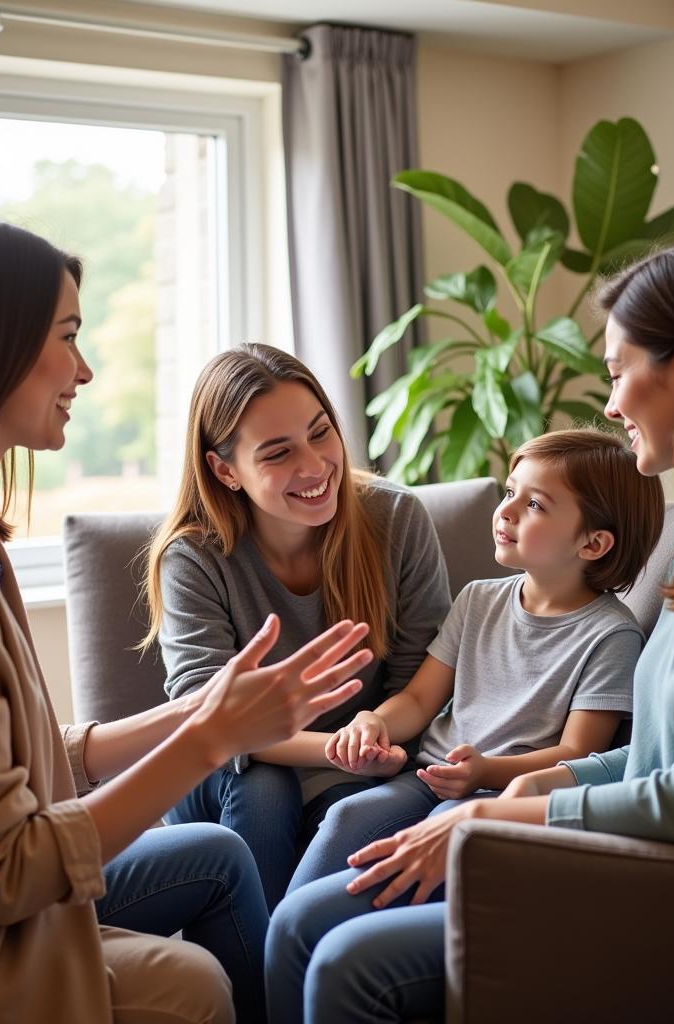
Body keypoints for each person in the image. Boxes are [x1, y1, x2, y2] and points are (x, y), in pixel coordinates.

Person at [0, 212, 374, 1024]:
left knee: (213, 878)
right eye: (68, 335)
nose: (87, 370)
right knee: (193, 986)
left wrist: (200, 713)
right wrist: (210, 740)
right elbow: (1, 869)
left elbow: (22, 762)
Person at [265, 239, 674, 1023]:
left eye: (618, 371)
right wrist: (548, 783)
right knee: (299, 925)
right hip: (651, 853)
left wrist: (489, 811)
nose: (610, 405)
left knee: (348, 963)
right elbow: (663, 754)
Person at [287, 427, 664, 893]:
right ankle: (286, 940)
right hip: (427, 775)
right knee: (347, 813)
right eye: (510, 492)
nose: (504, 510)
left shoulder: (611, 635)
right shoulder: (477, 600)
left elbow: (577, 755)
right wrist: (373, 719)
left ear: (593, 544)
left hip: (500, 793)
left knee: (445, 831)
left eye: (534, 505)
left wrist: (486, 771)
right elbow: (420, 700)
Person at [143, 343, 453, 909]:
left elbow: (421, 680)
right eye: (278, 453)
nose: (313, 467)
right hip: (224, 767)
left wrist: (369, 730)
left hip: (361, 752)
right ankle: (264, 985)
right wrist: (339, 747)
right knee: (263, 789)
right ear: (224, 470)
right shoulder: (193, 558)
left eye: (321, 433)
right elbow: (211, 719)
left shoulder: (396, 519)